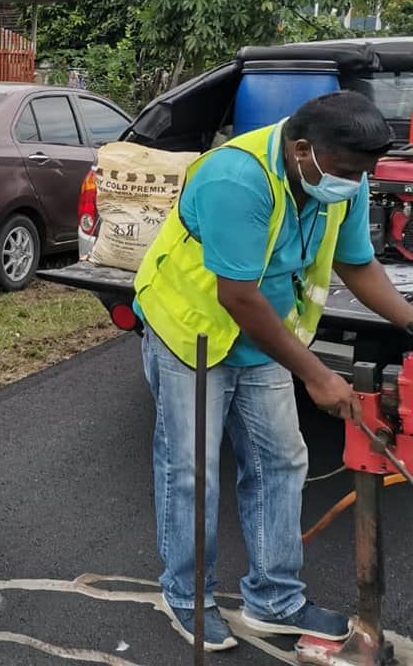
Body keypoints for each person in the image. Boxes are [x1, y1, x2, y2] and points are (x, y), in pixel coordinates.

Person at [134, 90, 413, 652]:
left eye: (363, 174)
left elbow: (356, 264)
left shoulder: (341, 177)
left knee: (280, 460)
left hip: (261, 336)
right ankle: (186, 597)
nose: (354, 184)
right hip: (194, 329)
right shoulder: (237, 179)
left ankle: (274, 600)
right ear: (303, 149)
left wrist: (412, 320)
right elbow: (237, 296)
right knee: (191, 469)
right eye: (346, 172)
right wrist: (316, 374)